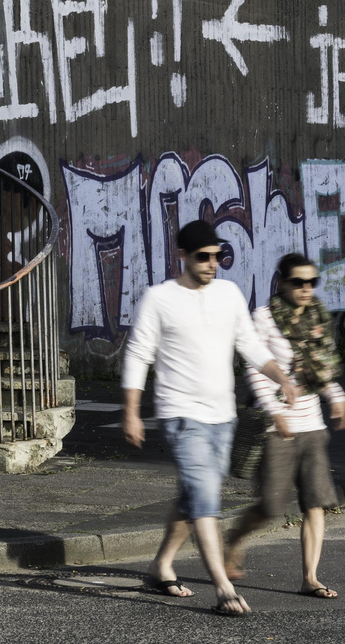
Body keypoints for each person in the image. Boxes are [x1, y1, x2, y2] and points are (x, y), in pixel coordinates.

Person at [121, 219, 299, 618]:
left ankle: (160, 565)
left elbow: (249, 345)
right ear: (181, 256)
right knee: (205, 495)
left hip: (224, 416)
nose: (212, 263)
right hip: (180, 415)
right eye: (203, 256)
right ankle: (223, 586)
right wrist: (131, 412)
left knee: (193, 494)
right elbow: (138, 355)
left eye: (218, 256)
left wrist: (282, 379)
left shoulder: (229, 294)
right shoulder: (159, 298)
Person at [224, 253, 345, 599]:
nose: (306, 288)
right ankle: (234, 538)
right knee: (270, 507)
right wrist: (273, 410)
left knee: (315, 502)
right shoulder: (264, 318)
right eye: (298, 281)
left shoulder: (316, 317)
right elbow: (255, 366)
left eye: (312, 282)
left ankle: (310, 577)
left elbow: (321, 370)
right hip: (276, 427)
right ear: (282, 282)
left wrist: (337, 397)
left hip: (311, 424)